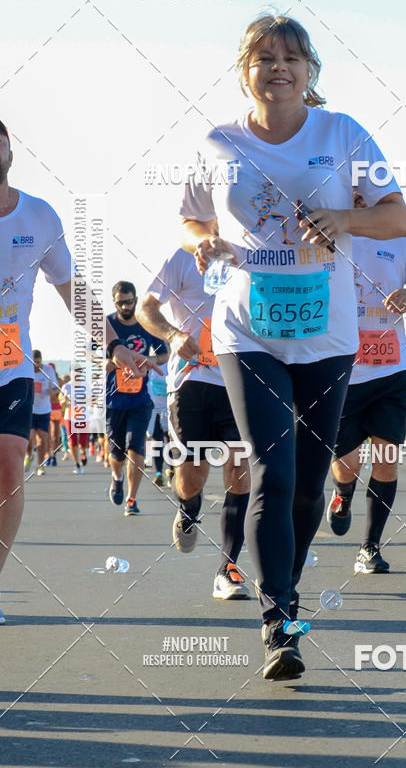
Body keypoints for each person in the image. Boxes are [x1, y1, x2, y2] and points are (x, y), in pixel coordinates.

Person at [180, 13, 406, 679]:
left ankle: (287, 586)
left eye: (291, 57)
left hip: (328, 334)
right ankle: (279, 620)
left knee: (309, 481)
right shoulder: (217, 142)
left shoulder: (344, 133)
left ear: (310, 71)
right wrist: (203, 243)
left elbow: (398, 216)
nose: (277, 67)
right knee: (272, 471)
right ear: (243, 69)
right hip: (244, 331)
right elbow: (192, 215)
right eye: (263, 57)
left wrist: (345, 217)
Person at [0, 119, 152, 624]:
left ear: (9, 151)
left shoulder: (38, 216)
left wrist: (111, 346)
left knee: (9, 466)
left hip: (10, 362)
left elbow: (72, 289)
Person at [328, 196, 406, 572]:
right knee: (346, 464)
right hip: (343, 372)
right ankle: (343, 493)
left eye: (369, 193)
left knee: (388, 459)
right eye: (354, 193)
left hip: (392, 371)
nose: (361, 199)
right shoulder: (330, 237)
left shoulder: (404, 244)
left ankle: (370, 547)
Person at [138, 247, 251, 600]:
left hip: (239, 378)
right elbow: (146, 308)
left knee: (240, 467)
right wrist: (172, 335)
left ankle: (228, 569)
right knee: (192, 474)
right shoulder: (183, 258)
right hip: (191, 382)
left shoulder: (255, 253)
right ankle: (188, 508)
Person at [106, 281, 169, 516]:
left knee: (136, 446)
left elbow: (165, 352)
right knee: (116, 453)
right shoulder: (108, 324)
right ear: (114, 302)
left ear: (135, 299)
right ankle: (116, 477)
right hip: (114, 399)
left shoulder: (146, 324)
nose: (125, 306)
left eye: (129, 301)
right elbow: (90, 352)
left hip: (142, 398)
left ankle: (131, 499)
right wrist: (106, 362)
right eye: (120, 302)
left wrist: (149, 361)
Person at [25, 351, 59, 476]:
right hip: (30, 410)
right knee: (29, 439)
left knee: (42, 441)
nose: (36, 366)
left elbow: (56, 388)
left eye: (38, 363)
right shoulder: (27, 370)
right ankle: (28, 455)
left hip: (44, 410)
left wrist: (52, 392)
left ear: (41, 361)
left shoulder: (49, 370)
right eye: (34, 363)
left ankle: (41, 466)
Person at [145, 363, 169, 486]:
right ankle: (159, 472)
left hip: (169, 407)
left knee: (170, 439)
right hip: (153, 408)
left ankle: (172, 471)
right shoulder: (148, 364)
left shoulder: (172, 363)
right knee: (156, 440)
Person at [59, 377, 88, 473]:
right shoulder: (66, 386)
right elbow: (61, 403)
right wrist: (65, 400)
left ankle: (83, 452)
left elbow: (93, 400)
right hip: (70, 417)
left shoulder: (86, 384)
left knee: (83, 441)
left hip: (83, 416)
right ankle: (77, 464)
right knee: (72, 441)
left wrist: (86, 398)